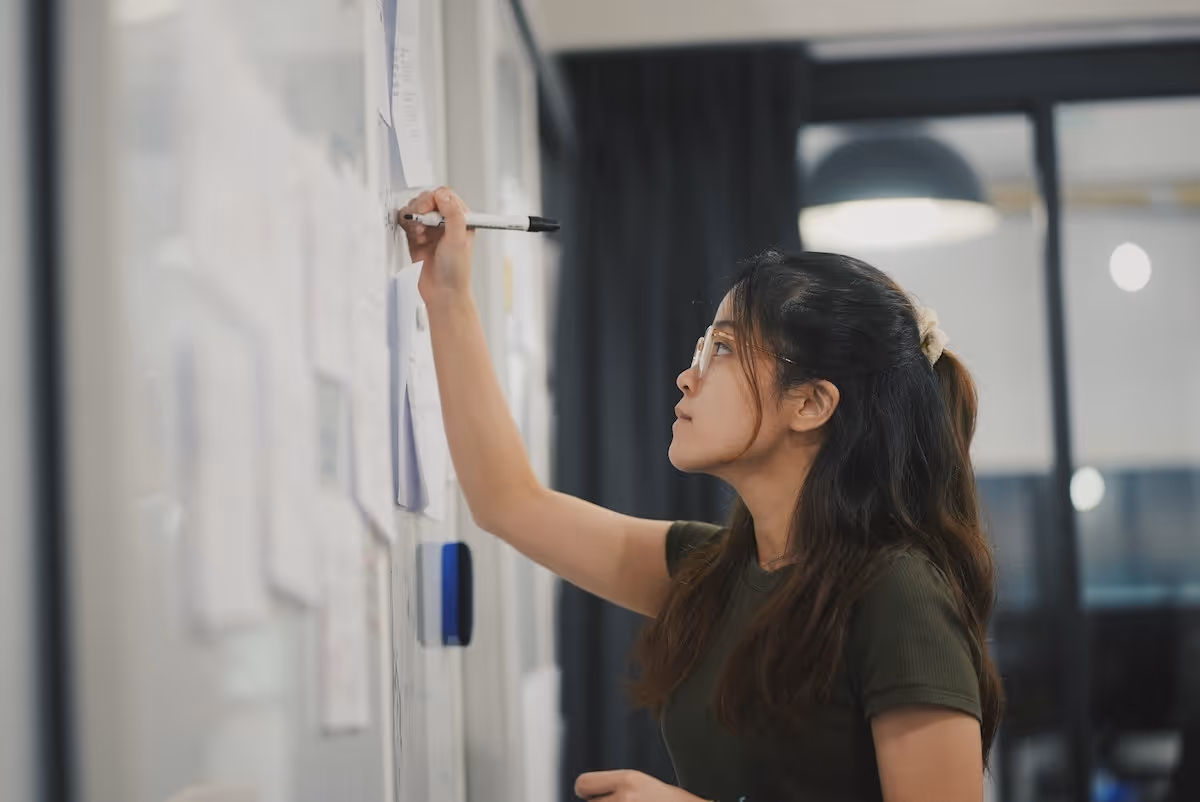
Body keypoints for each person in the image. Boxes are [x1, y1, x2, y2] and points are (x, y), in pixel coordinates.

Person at [398, 187, 1002, 802]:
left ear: (811, 403)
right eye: (701, 347)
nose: (689, 376)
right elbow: (509, 502)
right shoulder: (712, 572)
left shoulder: (900, 591)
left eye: (723, 348)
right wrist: (446, 296)